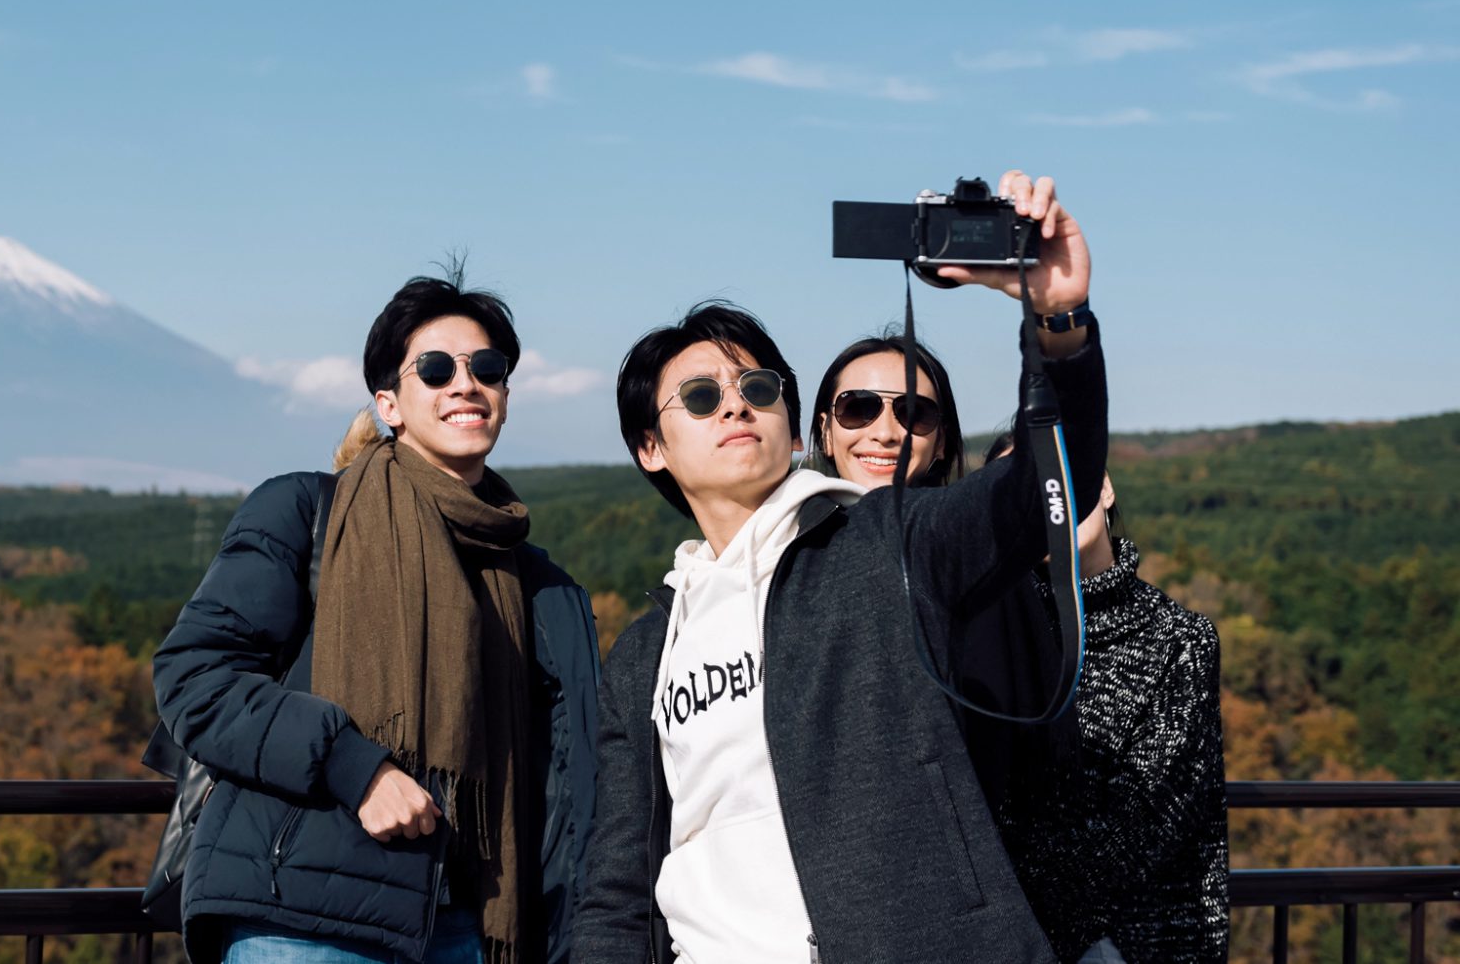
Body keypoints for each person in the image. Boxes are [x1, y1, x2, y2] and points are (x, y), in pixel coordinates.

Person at [575, 170, 1105, 964]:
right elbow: (616, 883)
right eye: (698, 395)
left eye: (757, 386)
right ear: (650, 448)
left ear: (794, 430)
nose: (734, 403)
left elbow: (1043, 488)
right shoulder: (645, 653)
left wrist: (1057, 321)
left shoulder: (886, 538)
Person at [154, 270, 601, 964]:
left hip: (472, 927)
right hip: (302, 919)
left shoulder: (536, 583)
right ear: (389, 402)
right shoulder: (307, 514)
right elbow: (194, 675)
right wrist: (355, 766)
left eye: (487, 367)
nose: (465, 384)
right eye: (435, 367)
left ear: (506, 396)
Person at [805, 331, 1083, 946]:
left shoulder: (976, 573)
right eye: (858, 407)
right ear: (824, 431)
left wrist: (1059, 328)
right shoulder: (782, 573)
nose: (884, 430)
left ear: (940, 442)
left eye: (914, 413)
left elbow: (1035, 775)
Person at [980, 434, 1230, 964]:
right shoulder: (986, 636)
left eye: (1064, 479)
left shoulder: (1179, 641)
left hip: (1132, 945)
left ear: (1106, 487)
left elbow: (1137, 833)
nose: (1049, 501)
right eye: (1022, 492)